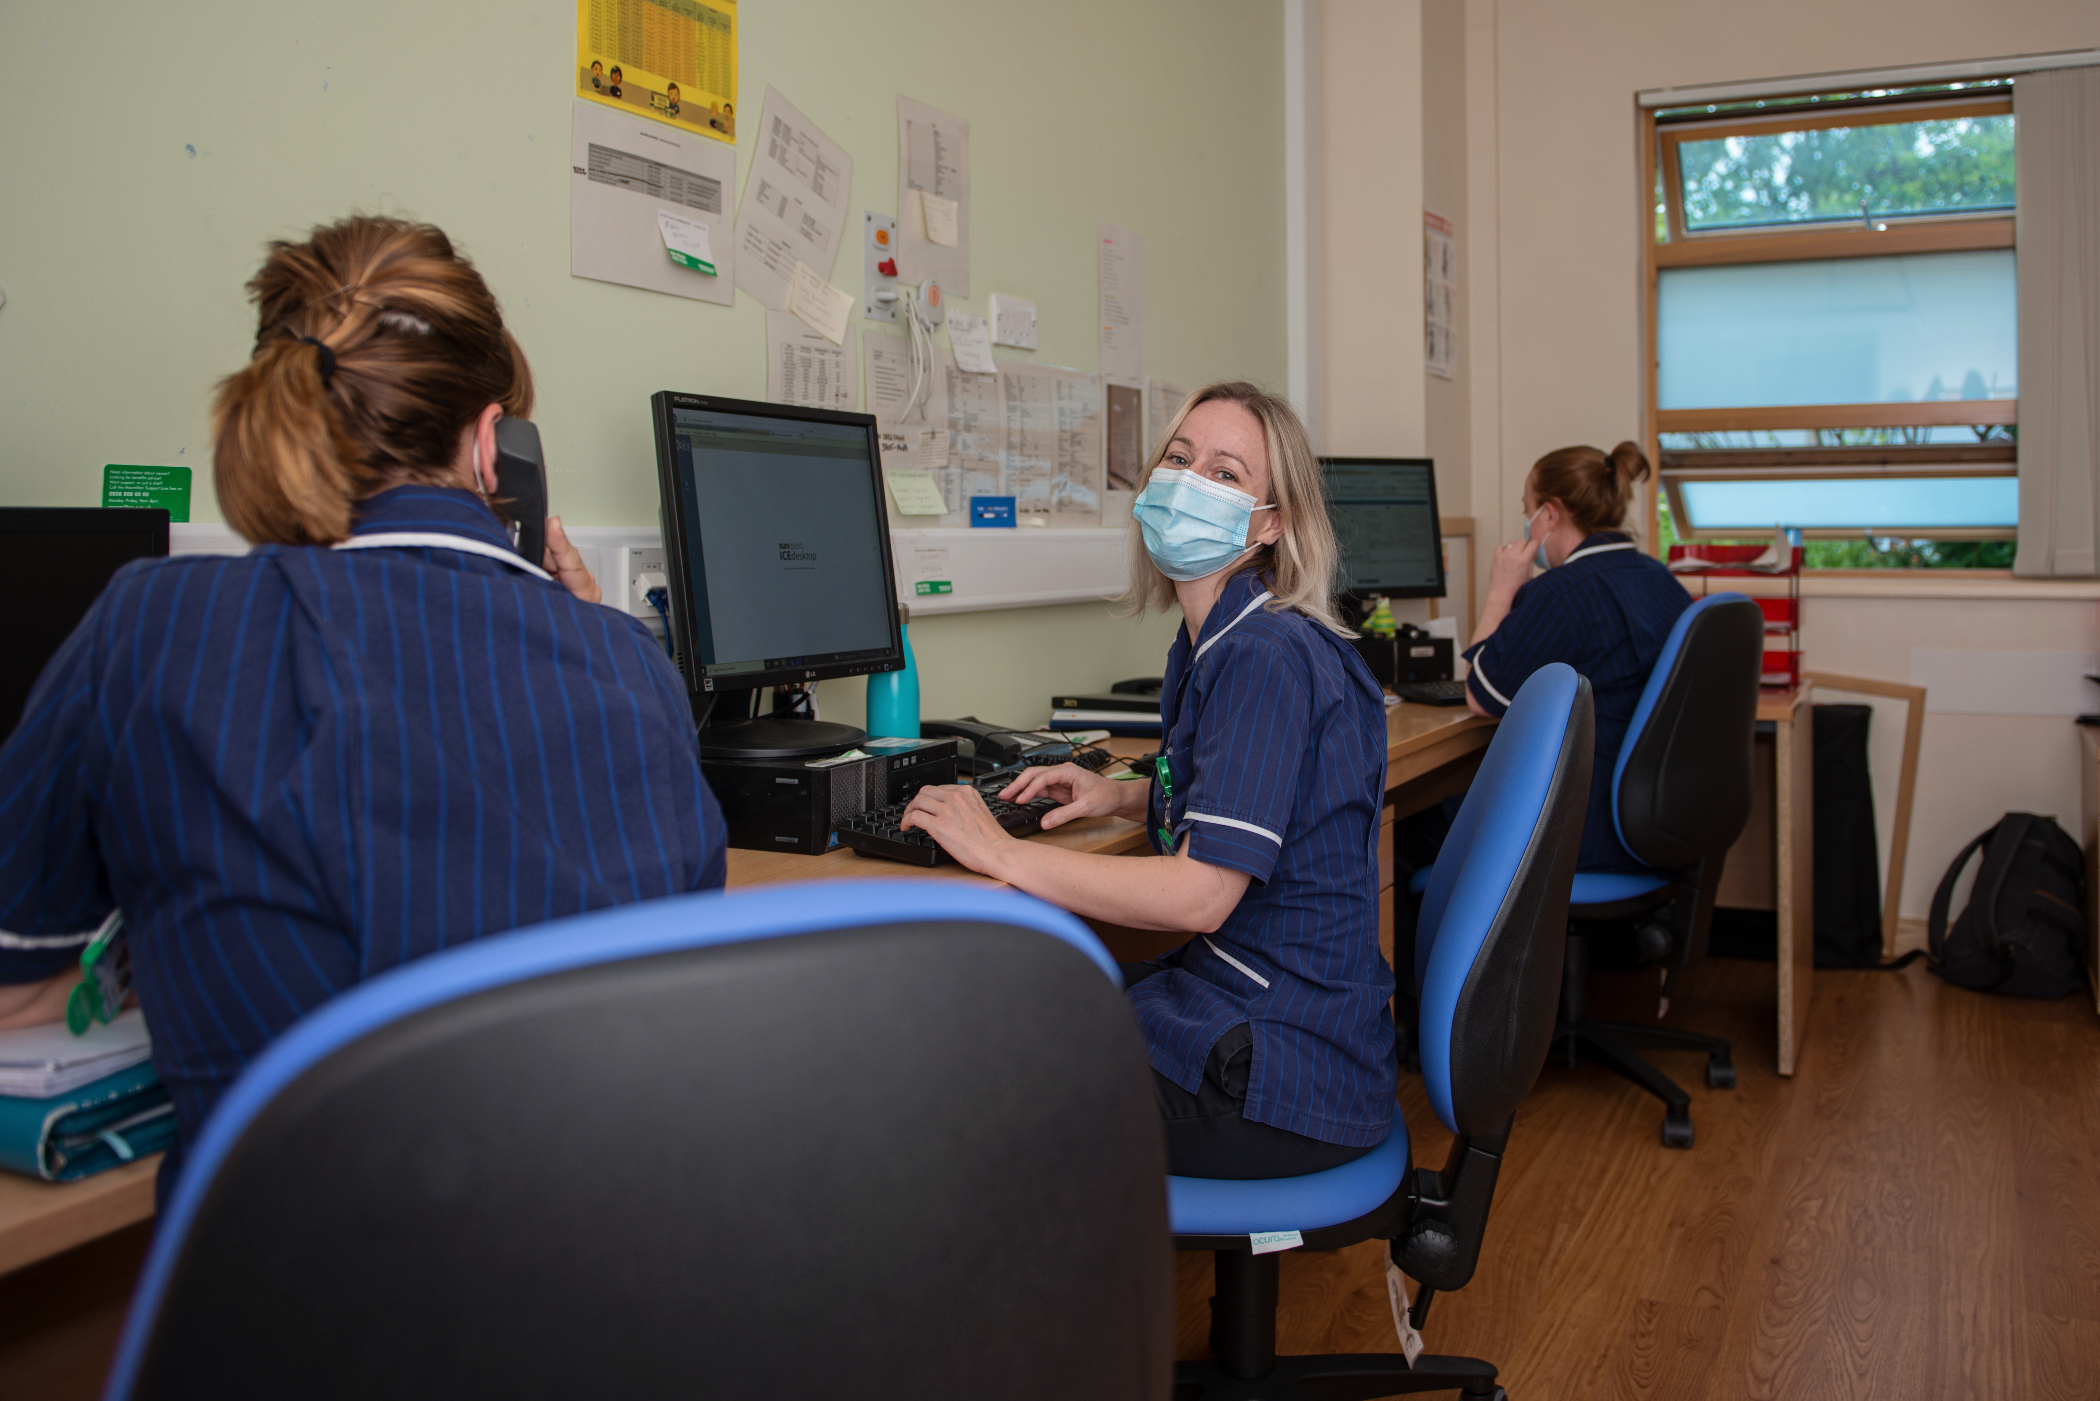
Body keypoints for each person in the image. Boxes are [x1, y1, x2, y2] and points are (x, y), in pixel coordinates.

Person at [0, 216, 729, 1191]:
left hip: (307, 1314)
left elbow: (20, 992)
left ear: (286, 408)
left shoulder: (159, 625)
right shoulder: (627, 662)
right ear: (490, 442)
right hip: (619, 1303)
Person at [899, 383, 1393, 1179]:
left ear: (1272, 523)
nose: (1190, 480)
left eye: (1226, 473)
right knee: (1029, 996)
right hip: (1262, 1016)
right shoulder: (1221, 635)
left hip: (1278, 1066)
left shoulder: (1262, 655)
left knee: (970, 1078)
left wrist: (1000, 850)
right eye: (1178, 458)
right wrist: (1125, 793)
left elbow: (1201, 894)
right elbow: (1259, 797)